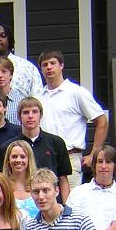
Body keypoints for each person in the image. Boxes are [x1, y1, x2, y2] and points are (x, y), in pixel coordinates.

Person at [38, 49, 108, 188]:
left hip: (70, 157)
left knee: (70, 200)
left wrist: (94, 154)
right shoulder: (38, 96)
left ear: (61, 65)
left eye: (53, 63)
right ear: (41, 69)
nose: (49, 67)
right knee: (44, 199)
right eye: (45, 65)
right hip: (44, 157)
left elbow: (102, 121)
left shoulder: (76, 92)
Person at [10, 97, 72, 201]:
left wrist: (66, 206)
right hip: (22, 201)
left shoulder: (56, 143)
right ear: (19, 116)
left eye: (34, 112)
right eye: (26, 112)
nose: (30, 116)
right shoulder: (10, 146)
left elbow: (63, 178)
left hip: (51, 201)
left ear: (41, 115)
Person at [2, 140, 39, 218]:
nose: (18, 160)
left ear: (29, 159)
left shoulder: (38, 185)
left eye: (22, 157)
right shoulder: (2, 186)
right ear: (8, 160)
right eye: (14, 157)